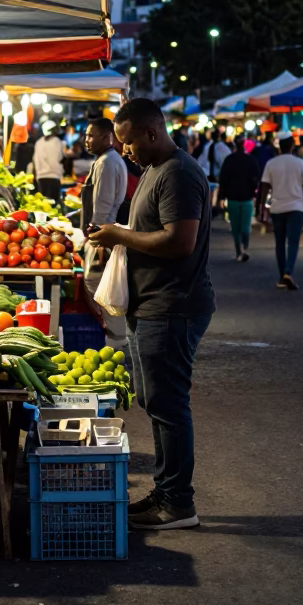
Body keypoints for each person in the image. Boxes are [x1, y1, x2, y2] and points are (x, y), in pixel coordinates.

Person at [88, 98, 214, 532]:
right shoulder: (155, 171)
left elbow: (180, 241)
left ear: (152, 133)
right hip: (152, 304)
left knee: (170, 404)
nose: (125, 151)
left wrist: (120, 234)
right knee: (154, 401)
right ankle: (164, 493)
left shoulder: (178, 173)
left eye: (129, 143)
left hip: (173, 305)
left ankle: (179, 502)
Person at [81, 118, 129, 351]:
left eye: (91, 135)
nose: (87, 140)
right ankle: (114, 337)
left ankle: (116, 340)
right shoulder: (105, 160)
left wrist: (98, 239)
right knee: (100, 286)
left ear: (107, 137)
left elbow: (103, 204)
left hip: (103, 234)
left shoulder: (108, 163)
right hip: (101, 233)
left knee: (99, 285)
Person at [258, 135, 303, 290]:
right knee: (293, 242)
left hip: (277, 208)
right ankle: (289, 272)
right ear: (292, 146)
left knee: (280, 243)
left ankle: (282, 276)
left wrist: (262, 207)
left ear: (279, 146)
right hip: (296, 208)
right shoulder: (300, 163)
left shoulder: (271, 163)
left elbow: (264, 187)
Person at [217, 135, 261, 262]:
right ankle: (245, 249)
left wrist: (221, 197)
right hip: (247, 198)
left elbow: (223, 180)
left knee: (235, 227)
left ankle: (239, 251)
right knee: (246, 227)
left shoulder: (229, 160)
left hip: (233, 198)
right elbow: (255, 179)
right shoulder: (251, 160)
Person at [32, 121, 64, 201]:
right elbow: (59, 157)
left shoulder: (38, 142)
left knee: (44, 206)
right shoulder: (56, 141)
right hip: (54, 176)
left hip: (41, 178)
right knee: (54, 206)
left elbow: (35, 161)